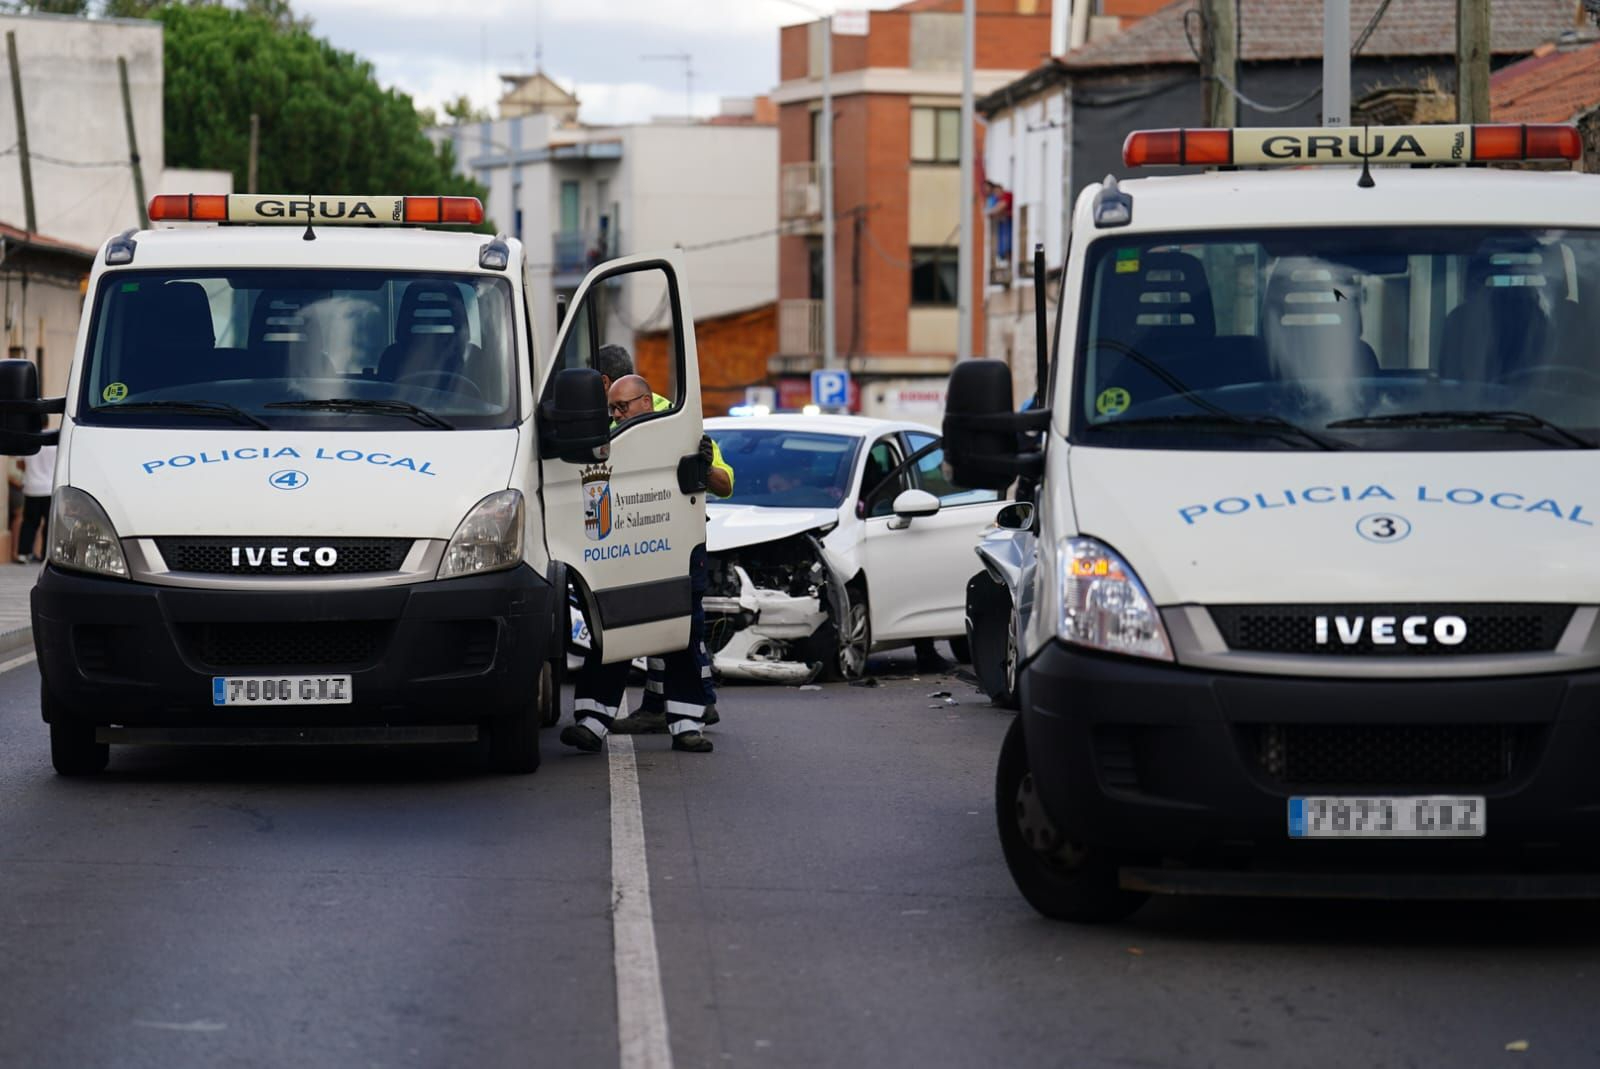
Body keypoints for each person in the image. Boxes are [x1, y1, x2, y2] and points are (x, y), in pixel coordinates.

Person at [560, 372, 732, 754]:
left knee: (683, 636)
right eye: (613, 409)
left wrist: (705, 466)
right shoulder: (609, 433)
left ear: (645, 401)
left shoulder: (680, 429)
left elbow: (724, 483)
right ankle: (591, 722)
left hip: (677, 547)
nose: (617, 416)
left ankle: (688, 725)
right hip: (627, 548)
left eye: (622, 408)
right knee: (614, 633)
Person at [17, 443, 55, 564]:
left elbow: (20, 464)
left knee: (29, 522)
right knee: (49, 523)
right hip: (49, 488)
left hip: (32, 487)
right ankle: (45, 554)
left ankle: (24, 553)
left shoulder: (28, 441)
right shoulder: (54, 443)